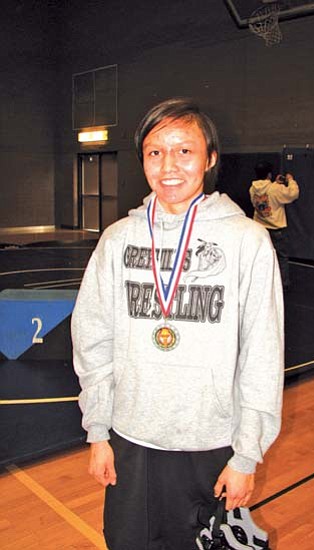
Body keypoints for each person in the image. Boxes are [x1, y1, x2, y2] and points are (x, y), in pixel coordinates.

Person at [71, 98, 284, 549]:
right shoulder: (118, 240)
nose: (168, 165)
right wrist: (97, 431)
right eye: (154, 152)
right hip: (131, 439)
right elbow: (92, 341)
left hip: (210, 441)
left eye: (184, 150)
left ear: (209, 159)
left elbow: (262, 353)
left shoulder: (247, 240)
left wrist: (246, 455)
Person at [249, 161, 299, 290]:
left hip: (260, 229)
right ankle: (283, 284)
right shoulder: (275, 188)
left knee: (261, 257)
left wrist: (276, 183)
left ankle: (261, 283)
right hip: (277, 229)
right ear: (269, 175)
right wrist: (291, 180)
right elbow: (293, 194)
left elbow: (267, 194)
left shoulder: (252, 189)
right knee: (281, 257)